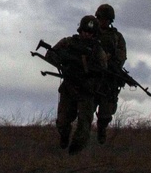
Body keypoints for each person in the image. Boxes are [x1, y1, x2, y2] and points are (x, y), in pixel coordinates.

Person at [45, 15, 108, 154]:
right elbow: (50, 54)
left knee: (84, 128)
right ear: (80, 30)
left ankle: (74, 154)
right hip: (69, 87)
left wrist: (90, 78)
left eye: (90, 32)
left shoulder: (98, 51)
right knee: (62, 122)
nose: (86, 34)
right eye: (84, 31)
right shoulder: (68, 42)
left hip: (86, 91)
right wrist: (63, 63)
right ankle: (64, 137)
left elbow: (103, 71)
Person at [93, 4, 127, 145]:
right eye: (101, 18)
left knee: (106, 112)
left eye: (106, 19)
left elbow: (121, 56)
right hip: (92, 76)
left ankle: (101, 130)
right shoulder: (90, 32)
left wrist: (110, 61)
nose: (103, 22)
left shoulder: (117, 37)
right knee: (86, 107)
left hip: (108, 78)